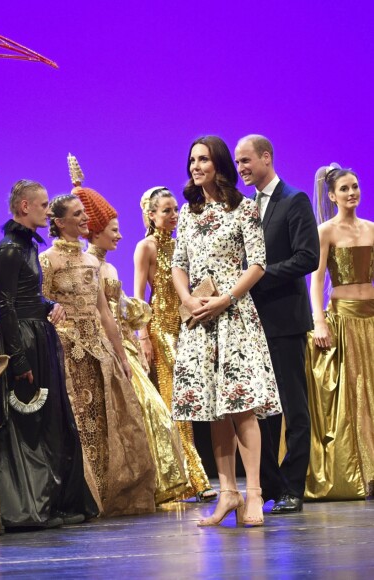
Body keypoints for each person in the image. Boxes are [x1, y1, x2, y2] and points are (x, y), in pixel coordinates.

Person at [172, 135, 282, 527]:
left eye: (203, 159)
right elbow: (178, 264)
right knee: (212, 409)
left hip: (233, 317)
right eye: (192, 160)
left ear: (219, 164)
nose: (195, 166)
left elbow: (258, 264)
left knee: (241, 407)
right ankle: (227, 492)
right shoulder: (188, 213)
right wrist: (187, 300)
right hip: (200, 321)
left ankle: (254, 492)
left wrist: (226, 299)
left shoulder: (244, 209)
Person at [69, 157, 188, 505]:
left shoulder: (103, 265)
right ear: (95, 231)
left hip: (123, 345)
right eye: (113, 229)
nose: (120, 234)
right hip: (109, 349)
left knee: (152, 416)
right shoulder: (93, 266)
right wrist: (139, 333)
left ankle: (157, 483)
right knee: (151, 414)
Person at [0, 179, 98, 527]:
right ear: (24, 207)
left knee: (51, 425)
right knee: (27, 426)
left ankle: (54, 502)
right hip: (21, 341)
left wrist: (49, 305)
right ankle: (27, 506)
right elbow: (6, 305)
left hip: (38, 335)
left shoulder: (27, 246)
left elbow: (27, 295)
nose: (48, 211)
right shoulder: (9, 249)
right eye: (44, 205)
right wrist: (17, 359)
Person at [39, 194, 156, 516]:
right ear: (60, 222)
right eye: (77, 214)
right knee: (78, 422)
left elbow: (105, 314)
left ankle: (106, 493)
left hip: (98, 350)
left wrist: (120, 356)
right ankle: (82, 496)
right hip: (67, 352)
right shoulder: (47, 260)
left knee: (106, 422)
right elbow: (43, 306)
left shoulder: (93, 263)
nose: (84, 219)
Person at [234, 134, 319, 513]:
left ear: (266, 158)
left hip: (285, 319)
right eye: (237, 163)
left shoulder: (294, 200)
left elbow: (308, 257)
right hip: (253, 323)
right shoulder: (246, 206)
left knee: (293, 406)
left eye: (246, 161)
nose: (241, 169)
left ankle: (293, 488)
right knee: (260, 407)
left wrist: (258, 276)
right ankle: (268, 484)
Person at [134, 186, 215, 502]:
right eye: (166, 210)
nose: (174, 215)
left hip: (185, 329)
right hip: (160, 331)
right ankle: (196, 479)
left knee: (185, 404)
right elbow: (138, 296)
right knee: (176, 402)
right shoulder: (146, 247)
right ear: (152, 215)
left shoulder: (182, 246)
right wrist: (142, 335)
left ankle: (179, 477)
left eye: (175, 210)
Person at [305, 164, 374, 500]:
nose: (352, 193)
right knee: (354, 395)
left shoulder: (372, 229)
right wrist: (319, 321)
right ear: (332, 195)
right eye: (345, 189)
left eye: (355, 187)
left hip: (372, 318)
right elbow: (316, 280)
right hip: (344, 318)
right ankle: (361, 474)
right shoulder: (326, 231)